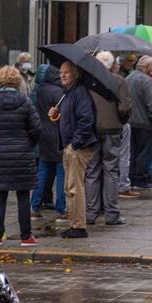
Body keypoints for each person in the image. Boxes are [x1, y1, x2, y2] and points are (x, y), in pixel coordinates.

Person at [0, 66, 42, 247]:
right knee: (23, 194)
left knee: (0, 194)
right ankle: (26, 236)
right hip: (22, 154)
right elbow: (36, 128)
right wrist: (28, 144)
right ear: (17, 81)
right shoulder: (25, 101)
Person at [85, 51, 132, 225]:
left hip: (92, 129)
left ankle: (90, 213)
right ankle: (112, 214)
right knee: (111, 171)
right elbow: (124, 108)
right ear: (112, 64)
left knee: (92, 171)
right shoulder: (118, 80)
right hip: (112, 129)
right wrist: (121, 121)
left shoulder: (88, 80)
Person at [58, 60, 98, 238]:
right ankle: (74, 223)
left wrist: (75, 144)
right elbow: (70, 118)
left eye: (67, 72)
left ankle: (79, 226)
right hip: (70, 146)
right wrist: (56, 114)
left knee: (75, 186)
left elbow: (86, 120)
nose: (63, 75)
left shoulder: (79, 92)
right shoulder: (68, 93)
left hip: (78, 147)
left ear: (75, 74)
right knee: (69, 187)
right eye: (61, 73)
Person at [31, 63, 66, 219]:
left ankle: (35, 205)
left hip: (43, 135)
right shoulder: (59, 92)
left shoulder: (39, 90)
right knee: (61, 173)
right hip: (57, 136)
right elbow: (63, 115)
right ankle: (61, 208)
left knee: (42, 172)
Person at [126, 55, 152, 190]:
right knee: (144, 153)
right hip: (145, 123)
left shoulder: (128, 78)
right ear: (148, 67)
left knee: (133, 153)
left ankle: (132, 179)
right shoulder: (147, 81)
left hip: (130, 122)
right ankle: (140, 181)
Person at [114, 56, 140, 199]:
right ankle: (123, 185)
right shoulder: (120, 80)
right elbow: (124, 106)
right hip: (119, 123)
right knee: (123, 156)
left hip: (104, 125)